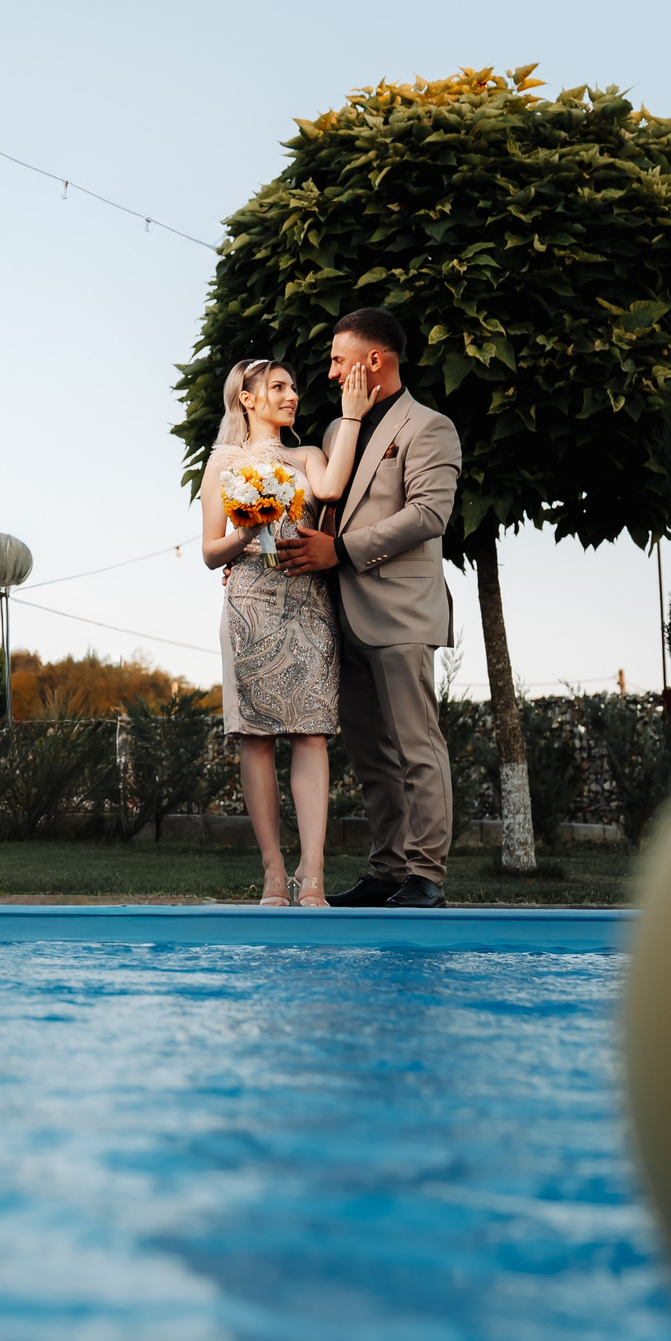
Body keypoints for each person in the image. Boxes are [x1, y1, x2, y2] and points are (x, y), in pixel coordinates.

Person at [274, 307, 463, 908]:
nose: (329, 374)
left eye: (337, 360)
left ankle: (426, 875)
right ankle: (387, 870)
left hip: (401, 612)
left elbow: (428, 515)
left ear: (373, 362)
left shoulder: (431, 427)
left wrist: (342, 551)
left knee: (416, 746)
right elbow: (325, 507)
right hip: (341, 615)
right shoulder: (335, 433)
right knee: (371, 753)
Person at [199, 355, 371, 905]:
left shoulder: (307, 453)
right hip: (250, 601)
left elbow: (330, 486)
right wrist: (247, 532)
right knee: (254, 735)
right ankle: (273, 871)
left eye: (293, 386)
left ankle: (313, 872)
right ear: (247, 399)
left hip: (308, 600)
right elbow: (209, 551)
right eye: (277, 386)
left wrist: (351, 417)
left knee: (312, 732)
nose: (291, 394)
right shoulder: (222, 461)